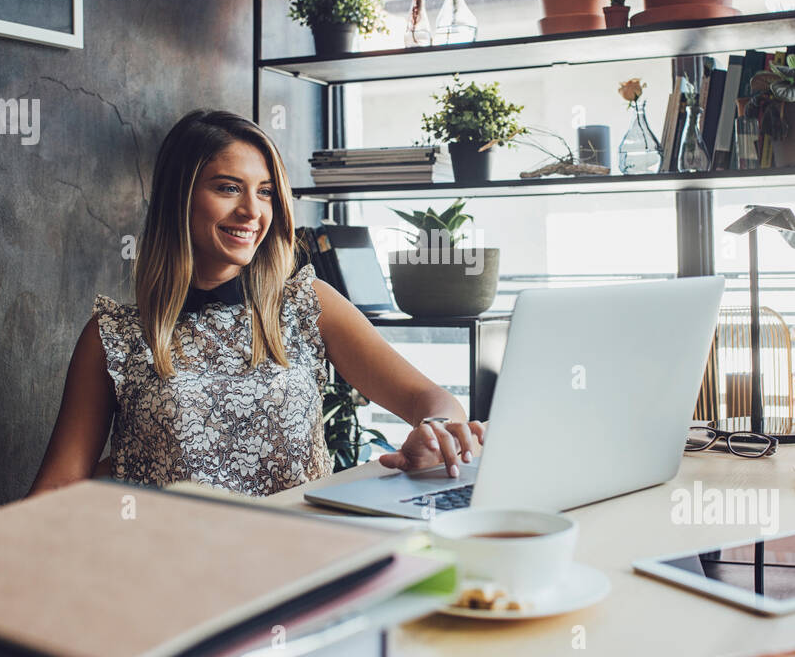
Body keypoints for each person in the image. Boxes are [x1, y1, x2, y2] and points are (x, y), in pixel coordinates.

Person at [27, 109, 484, 498]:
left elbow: (431, 398)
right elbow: (55, 493)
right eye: (228, 188)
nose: (252, 210)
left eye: (265, 191)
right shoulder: (116, 337)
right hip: (171, 575)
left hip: (300, 560)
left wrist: (439, 428)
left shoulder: (308, 303)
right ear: (179, 199)